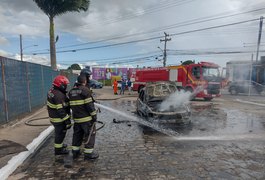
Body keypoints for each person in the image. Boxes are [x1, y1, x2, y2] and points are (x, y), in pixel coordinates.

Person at [68, 75, 99, 160]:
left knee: (77, 135)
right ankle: (88, 154)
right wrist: (94, 116)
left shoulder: (71, 91)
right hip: (86, 119)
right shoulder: (85, 90)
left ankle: (75, 152)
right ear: (84, 81)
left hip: (77, 119)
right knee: (90, 134)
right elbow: (89, 105)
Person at [47, 75, 72, 155]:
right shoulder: (59, 95)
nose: (66, 87)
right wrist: (67, 121)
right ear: (60, 85)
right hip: (58, 119)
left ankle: (59, 145)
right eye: (65, 85)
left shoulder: (52, 91)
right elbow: (61, 110)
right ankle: (58, 150)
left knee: (59, 133)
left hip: (53, 116)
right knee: (60, 134)